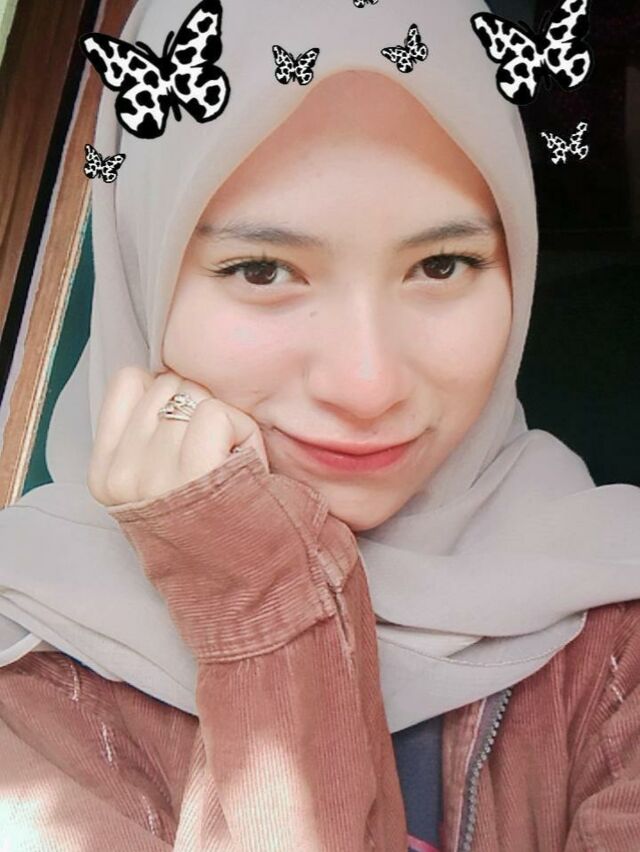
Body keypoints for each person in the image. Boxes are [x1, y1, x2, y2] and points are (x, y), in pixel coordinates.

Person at [0, 0, 639, 850]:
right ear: (141, 273)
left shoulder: (618, 631)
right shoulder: (26, 686)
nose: (367, 385)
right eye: (262, 270)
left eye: (442, 264)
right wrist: (259, 606)